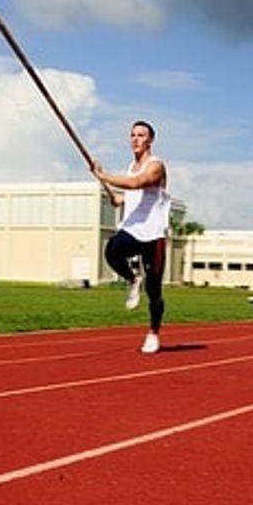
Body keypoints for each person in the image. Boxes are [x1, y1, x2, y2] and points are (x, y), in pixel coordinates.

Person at [93, 120, 170, 354]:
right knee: (112, 251)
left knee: (154, 291)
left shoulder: (156, 166)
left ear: (150, 140)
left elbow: (138, 183)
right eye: (132, 135)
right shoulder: (130, 167)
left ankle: (153, 332)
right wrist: (119, 199)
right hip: (133, 229)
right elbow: (134, 195)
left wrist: (104, 176)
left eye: (141, 135)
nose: (135, 139)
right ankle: (132, 278)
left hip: (154, 235)